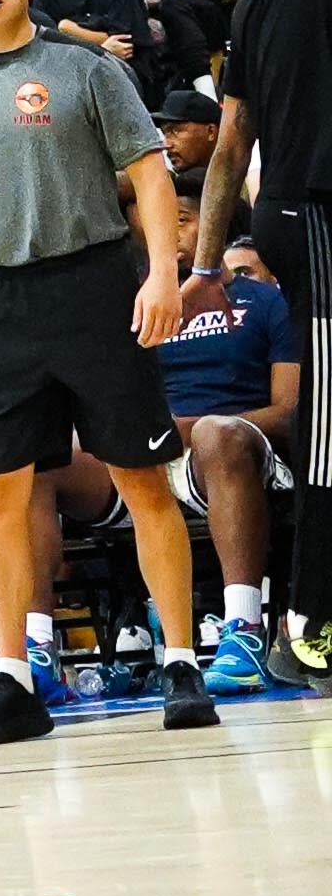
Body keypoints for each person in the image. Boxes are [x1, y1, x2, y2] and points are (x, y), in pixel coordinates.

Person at [0, 0, 211, 741]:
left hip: (94, 284)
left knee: (143, 478)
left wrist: (161, 274)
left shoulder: (86, 68)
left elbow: (151, 173)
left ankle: (180, 662)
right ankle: (14, 678)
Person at [199, 0, 332, 671]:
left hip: (287, 213)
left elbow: (227, 148)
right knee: (328, 423)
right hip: (319, 211)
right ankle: (307, 620)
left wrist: (207, 261)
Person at [154, 236, 299, 696]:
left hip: (239, 452)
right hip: (153, 453)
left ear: (212, 223)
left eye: (182, 219)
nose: (170, 234)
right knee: (46, 461)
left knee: (215, 434)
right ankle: (30, 653)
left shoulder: (268, 301)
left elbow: (290, 412)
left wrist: (194, 427)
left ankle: (244, 628)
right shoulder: (144, 300)